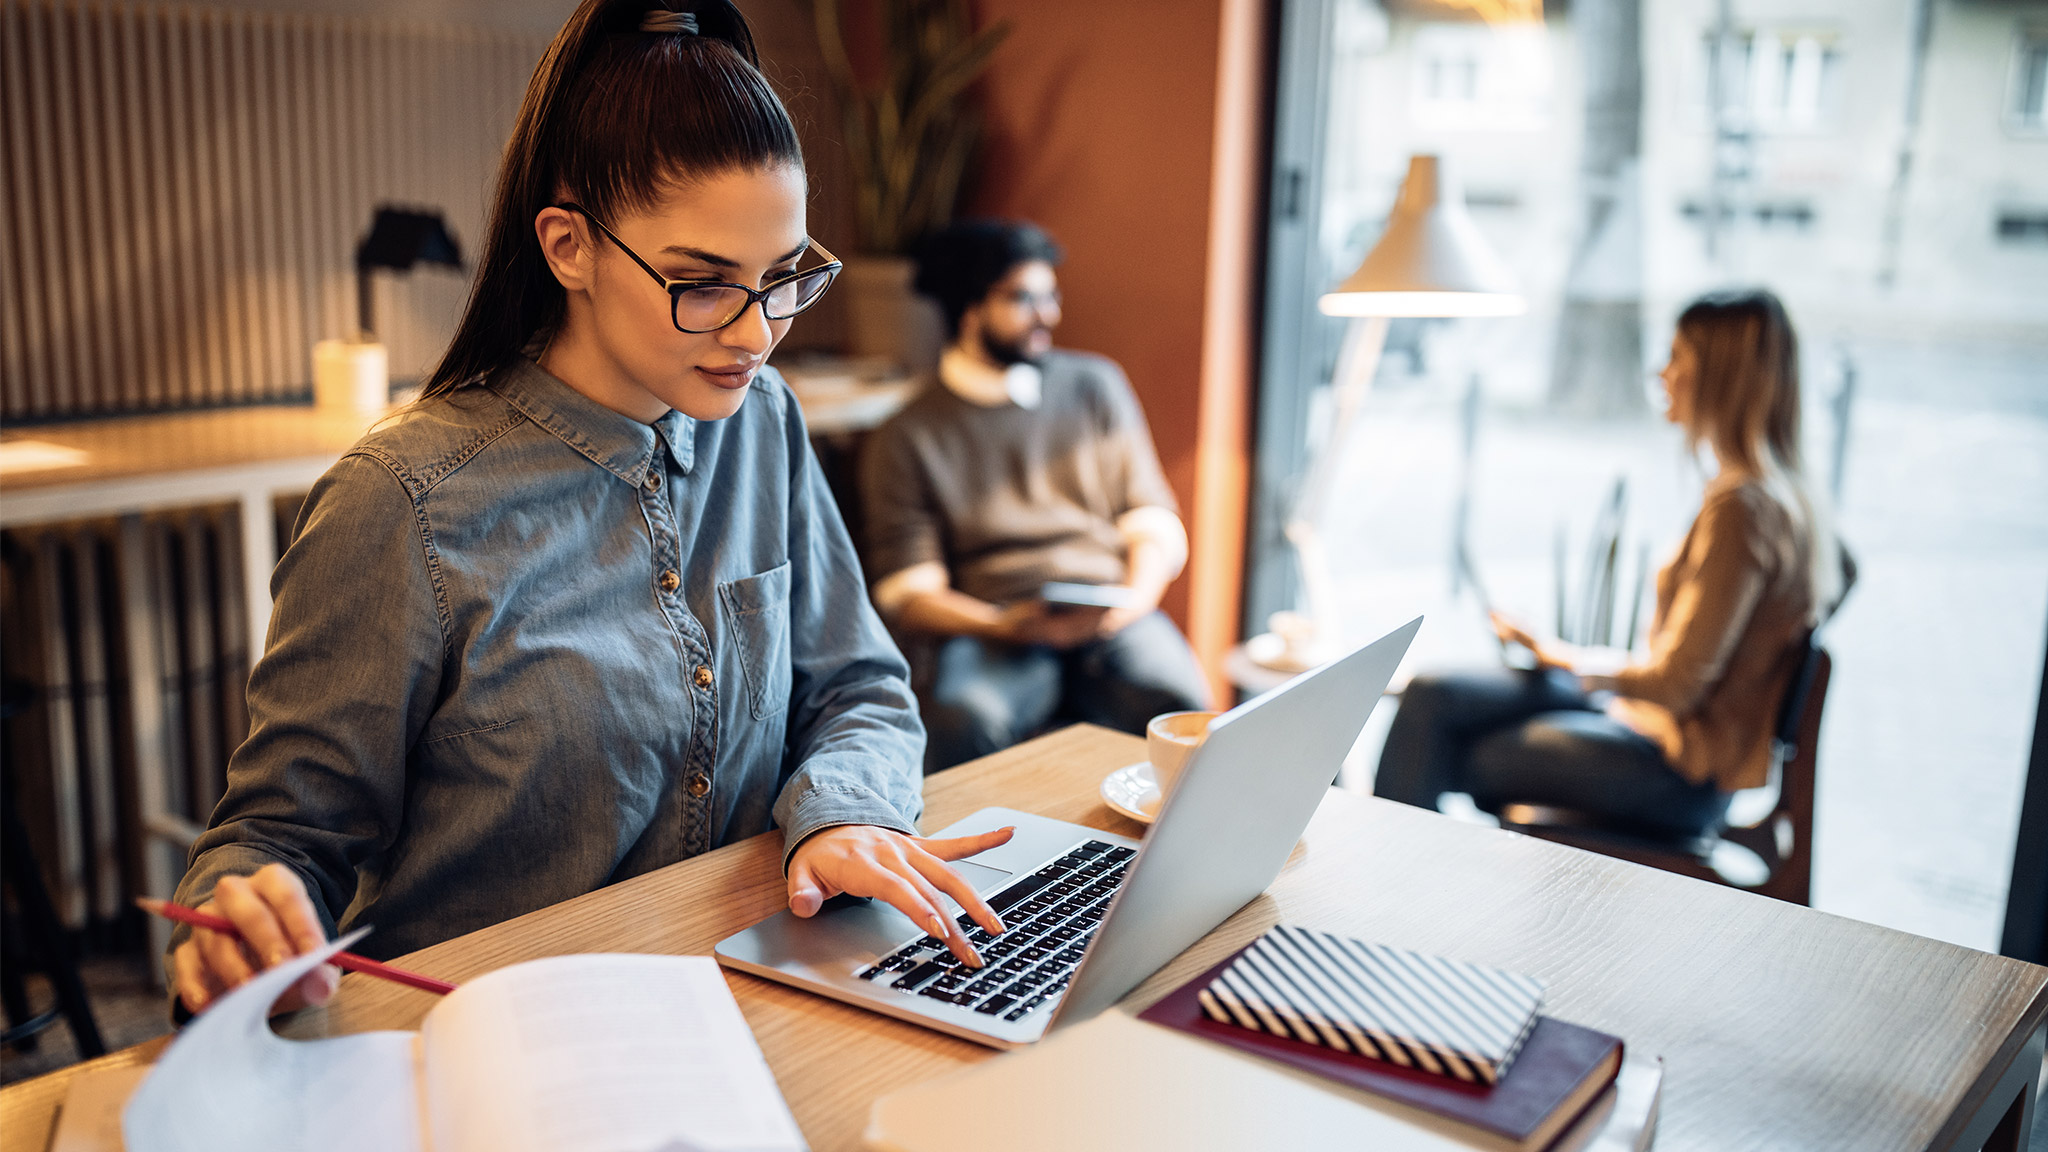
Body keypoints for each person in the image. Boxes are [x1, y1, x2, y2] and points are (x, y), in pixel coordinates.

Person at [166, 0, 1011, 1018]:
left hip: (739, 995)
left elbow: (859, 689)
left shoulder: (763, 423)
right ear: (569, 248)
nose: (755, 336)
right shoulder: (402, 503)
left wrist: (841, 817)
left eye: (779, 278)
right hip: (492, 1040)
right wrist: (243, 925)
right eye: (701, 284)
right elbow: (279, 841)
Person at [1374, 289, 1851, 833]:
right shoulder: (1789, 499)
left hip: (1678, 770)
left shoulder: (1742, 508)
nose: (1661, 374)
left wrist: (1569, 661)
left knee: (1444, 742)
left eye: (1677, 358)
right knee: (1434, 692)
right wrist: (1563, 658)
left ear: (1720, 377)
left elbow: (1677, 685)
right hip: (1648, 726)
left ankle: (1380, 900)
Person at [858, 220, 1211, 774]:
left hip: (1113, 612)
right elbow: (910, 593)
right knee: (961, 718)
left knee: (1185, 713)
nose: (1049, 315)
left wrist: (1129, 604)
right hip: (998, 624)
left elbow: (1152, 520)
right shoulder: (907, 434)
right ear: (968, 308)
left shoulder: (1095, 387)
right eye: (1025, 298)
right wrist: (1002, 625)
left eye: (1051, 296)